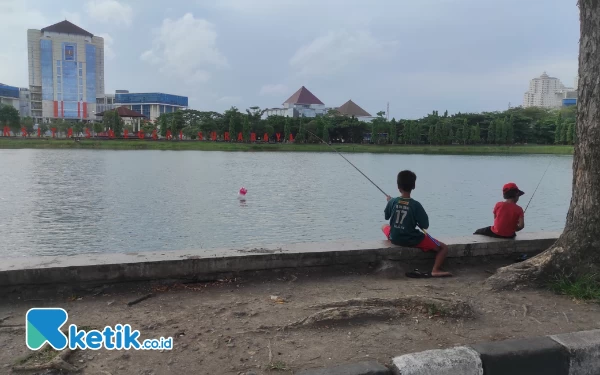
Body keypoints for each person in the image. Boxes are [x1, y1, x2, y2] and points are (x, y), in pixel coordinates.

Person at [382, 170, 452, 278]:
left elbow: (386, 216)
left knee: (384, 226)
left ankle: (395, 235)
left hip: (394, 237)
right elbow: (425, 225)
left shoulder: (393, 201)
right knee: (443, 248)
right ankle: (435, 270)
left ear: (398, 187)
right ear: (413, 186)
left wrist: (389, 202)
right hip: (412, 239)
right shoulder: (416, 205)